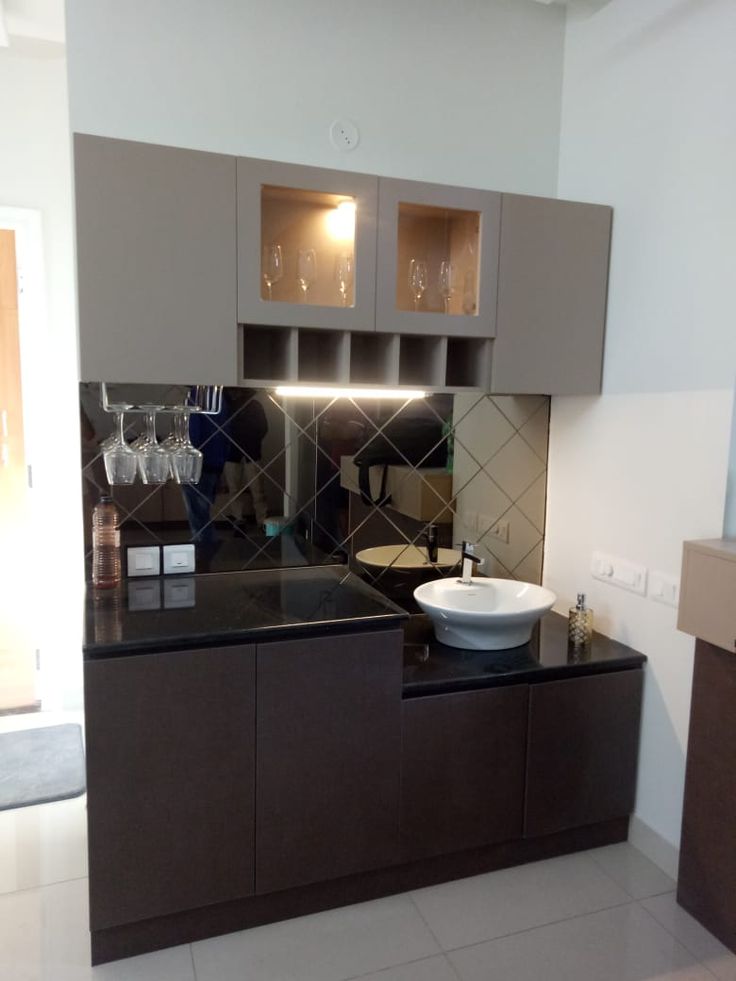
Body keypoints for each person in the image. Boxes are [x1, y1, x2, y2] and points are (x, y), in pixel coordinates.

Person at [181, 389, 230, 545]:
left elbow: (192, 432)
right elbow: (227, 432)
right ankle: (207, 549)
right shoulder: (219, 397)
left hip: (197, 463)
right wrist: (222, 462)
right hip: (215, 461)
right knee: (204, 510)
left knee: (197, 514)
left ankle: (203, 549)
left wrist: (186, 461)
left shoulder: (195, 396)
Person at [223, 389, 269, 528]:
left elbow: (263, 428)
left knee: (257, 489)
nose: (235, 394)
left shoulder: (254, 406)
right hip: (234, 452)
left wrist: (251, 441)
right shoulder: (227, 407)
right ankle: (239, 519)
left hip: (250, 451)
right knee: (235, 489)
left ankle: (261, 520)